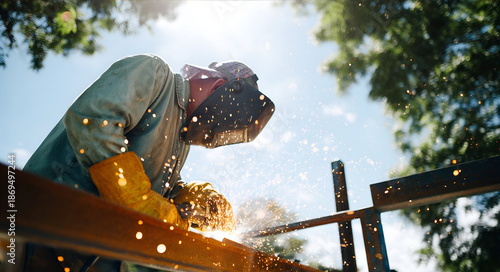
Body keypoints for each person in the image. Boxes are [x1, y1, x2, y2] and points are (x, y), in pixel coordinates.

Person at [22, 54, 275, 271]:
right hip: (42, 222)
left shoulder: (180, 138)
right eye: (219, 127)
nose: (211, 138)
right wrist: (137, 198)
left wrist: (192, 197)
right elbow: (95, 122)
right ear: (218, 86)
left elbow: (155, 194)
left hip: (95, 252)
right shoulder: (155, 74)